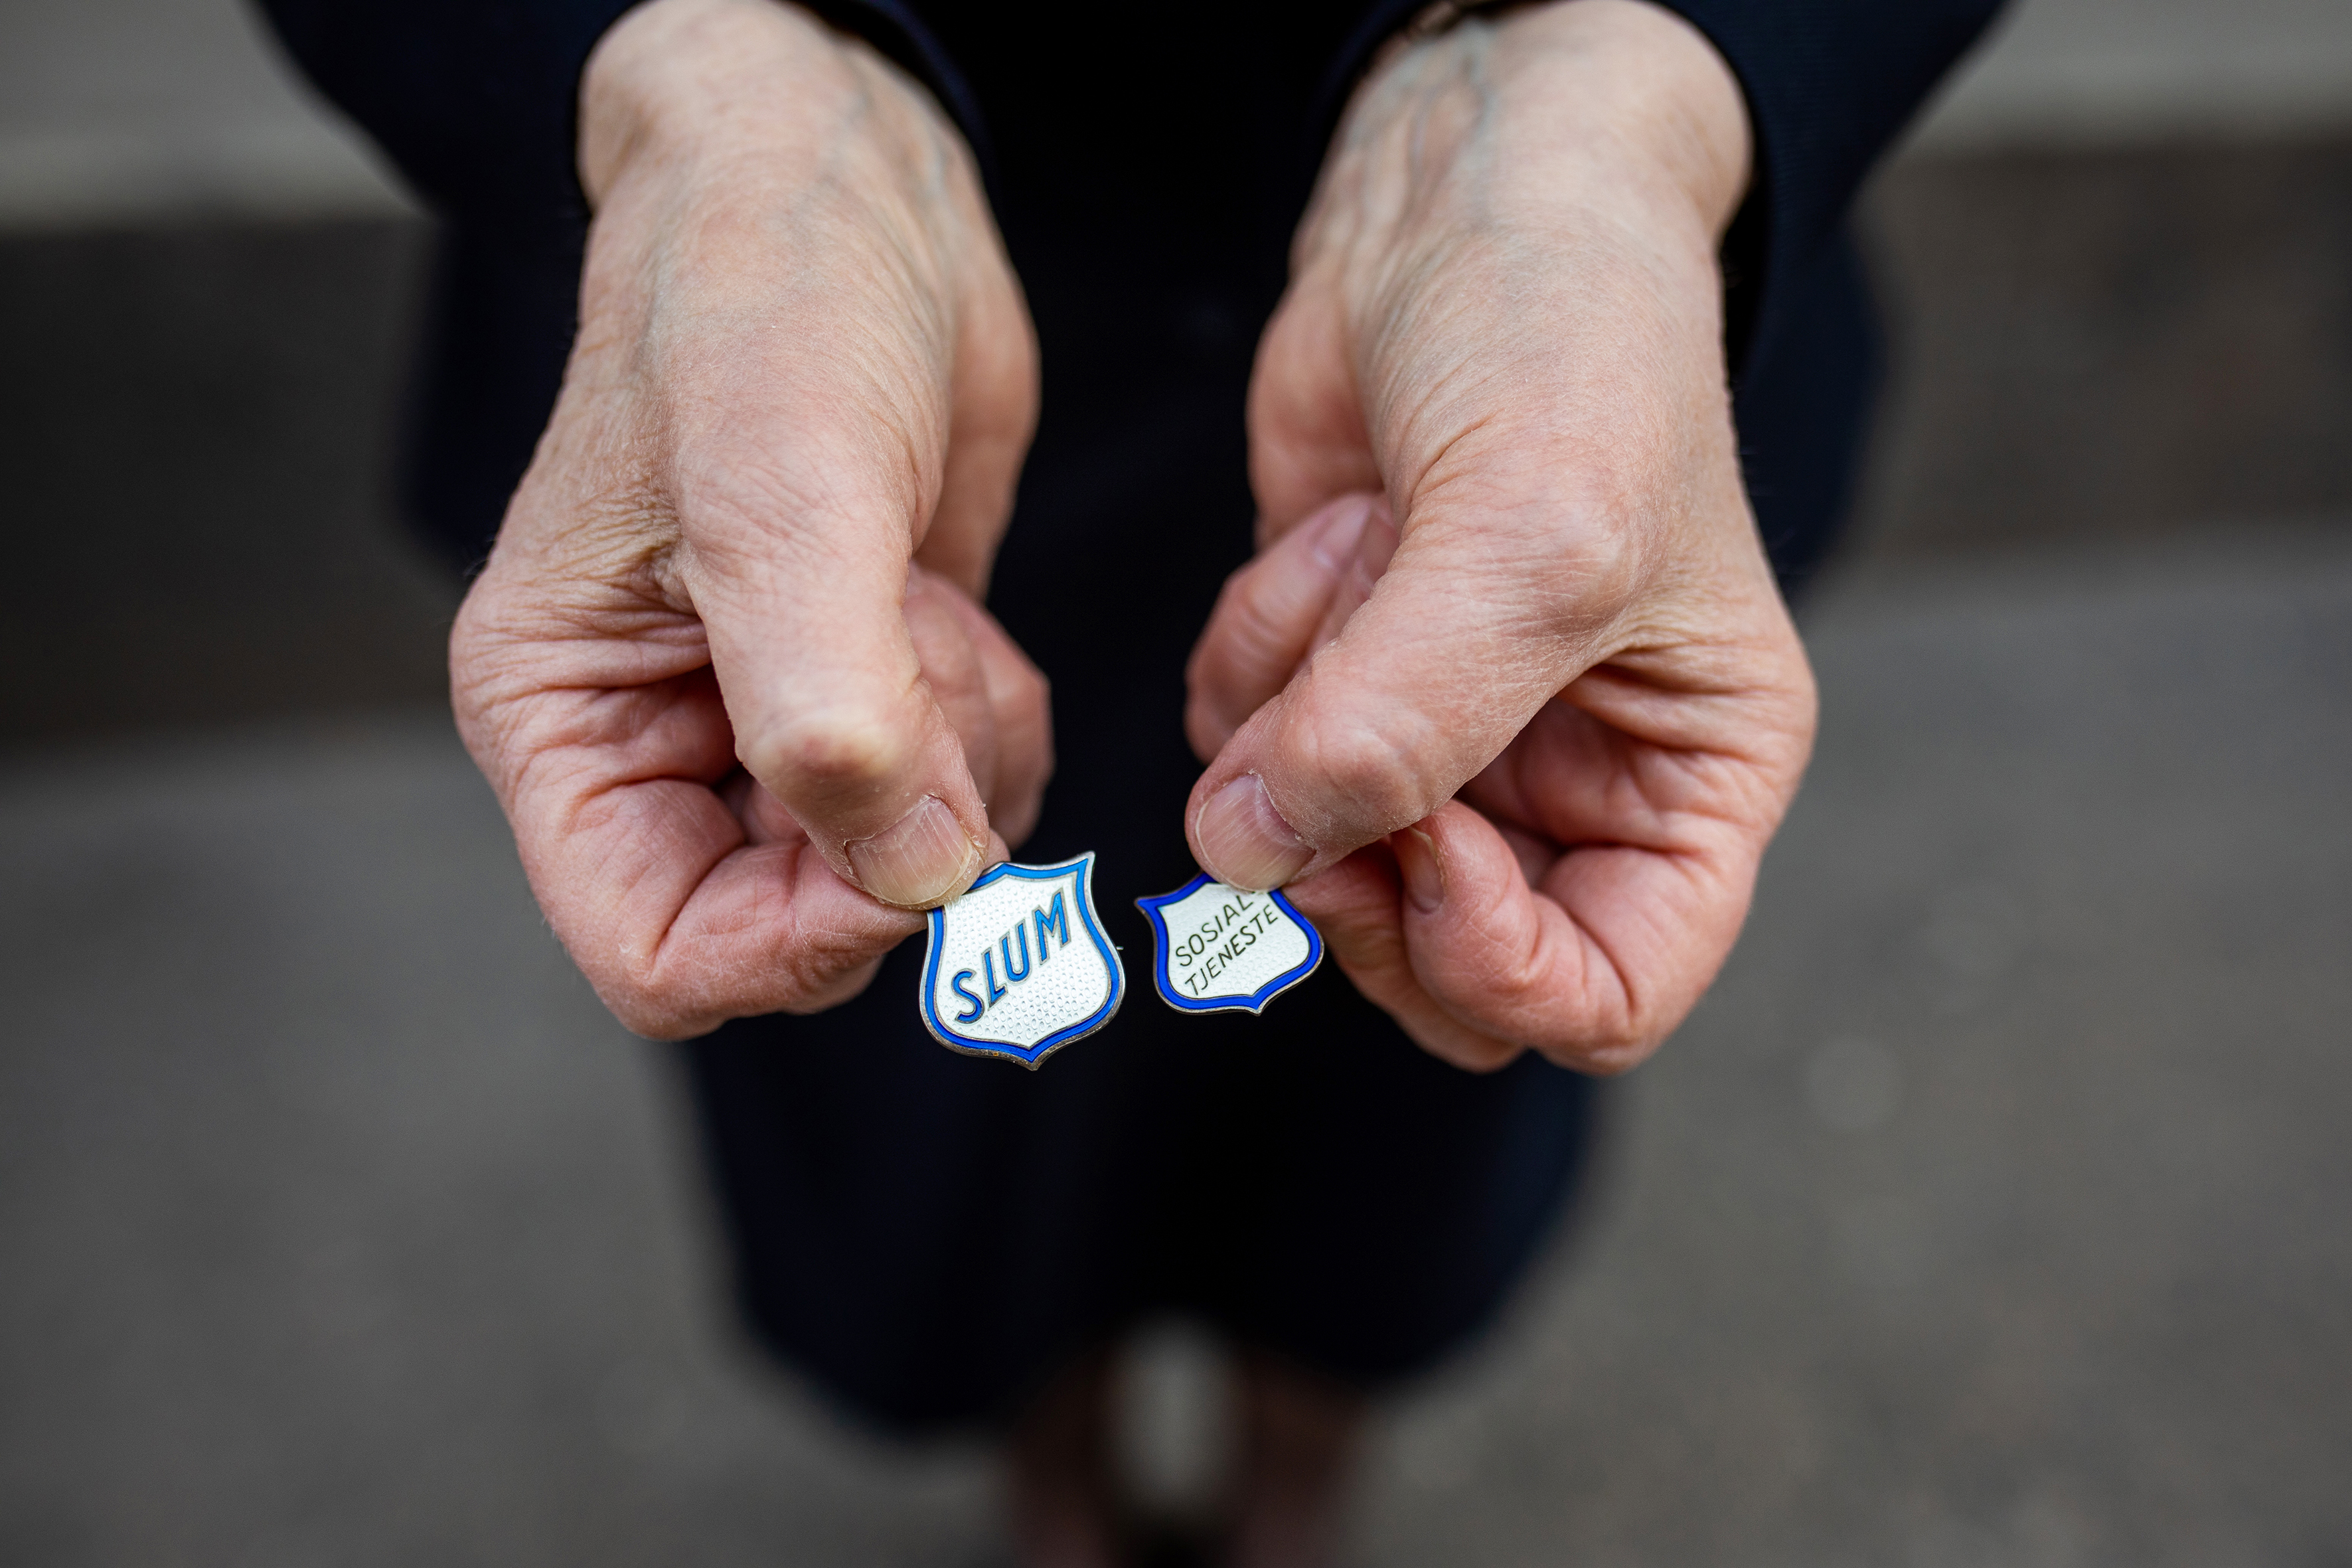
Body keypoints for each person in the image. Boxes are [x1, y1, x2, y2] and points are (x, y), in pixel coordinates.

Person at [263, 1, 2003, 1562]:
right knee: (941, 1103)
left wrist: (1636, 81)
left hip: (1523, 393)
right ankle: (1057, 1475)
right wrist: (696, 74)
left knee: (1410, 1074)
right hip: (806, 402)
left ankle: (1298, 1481)